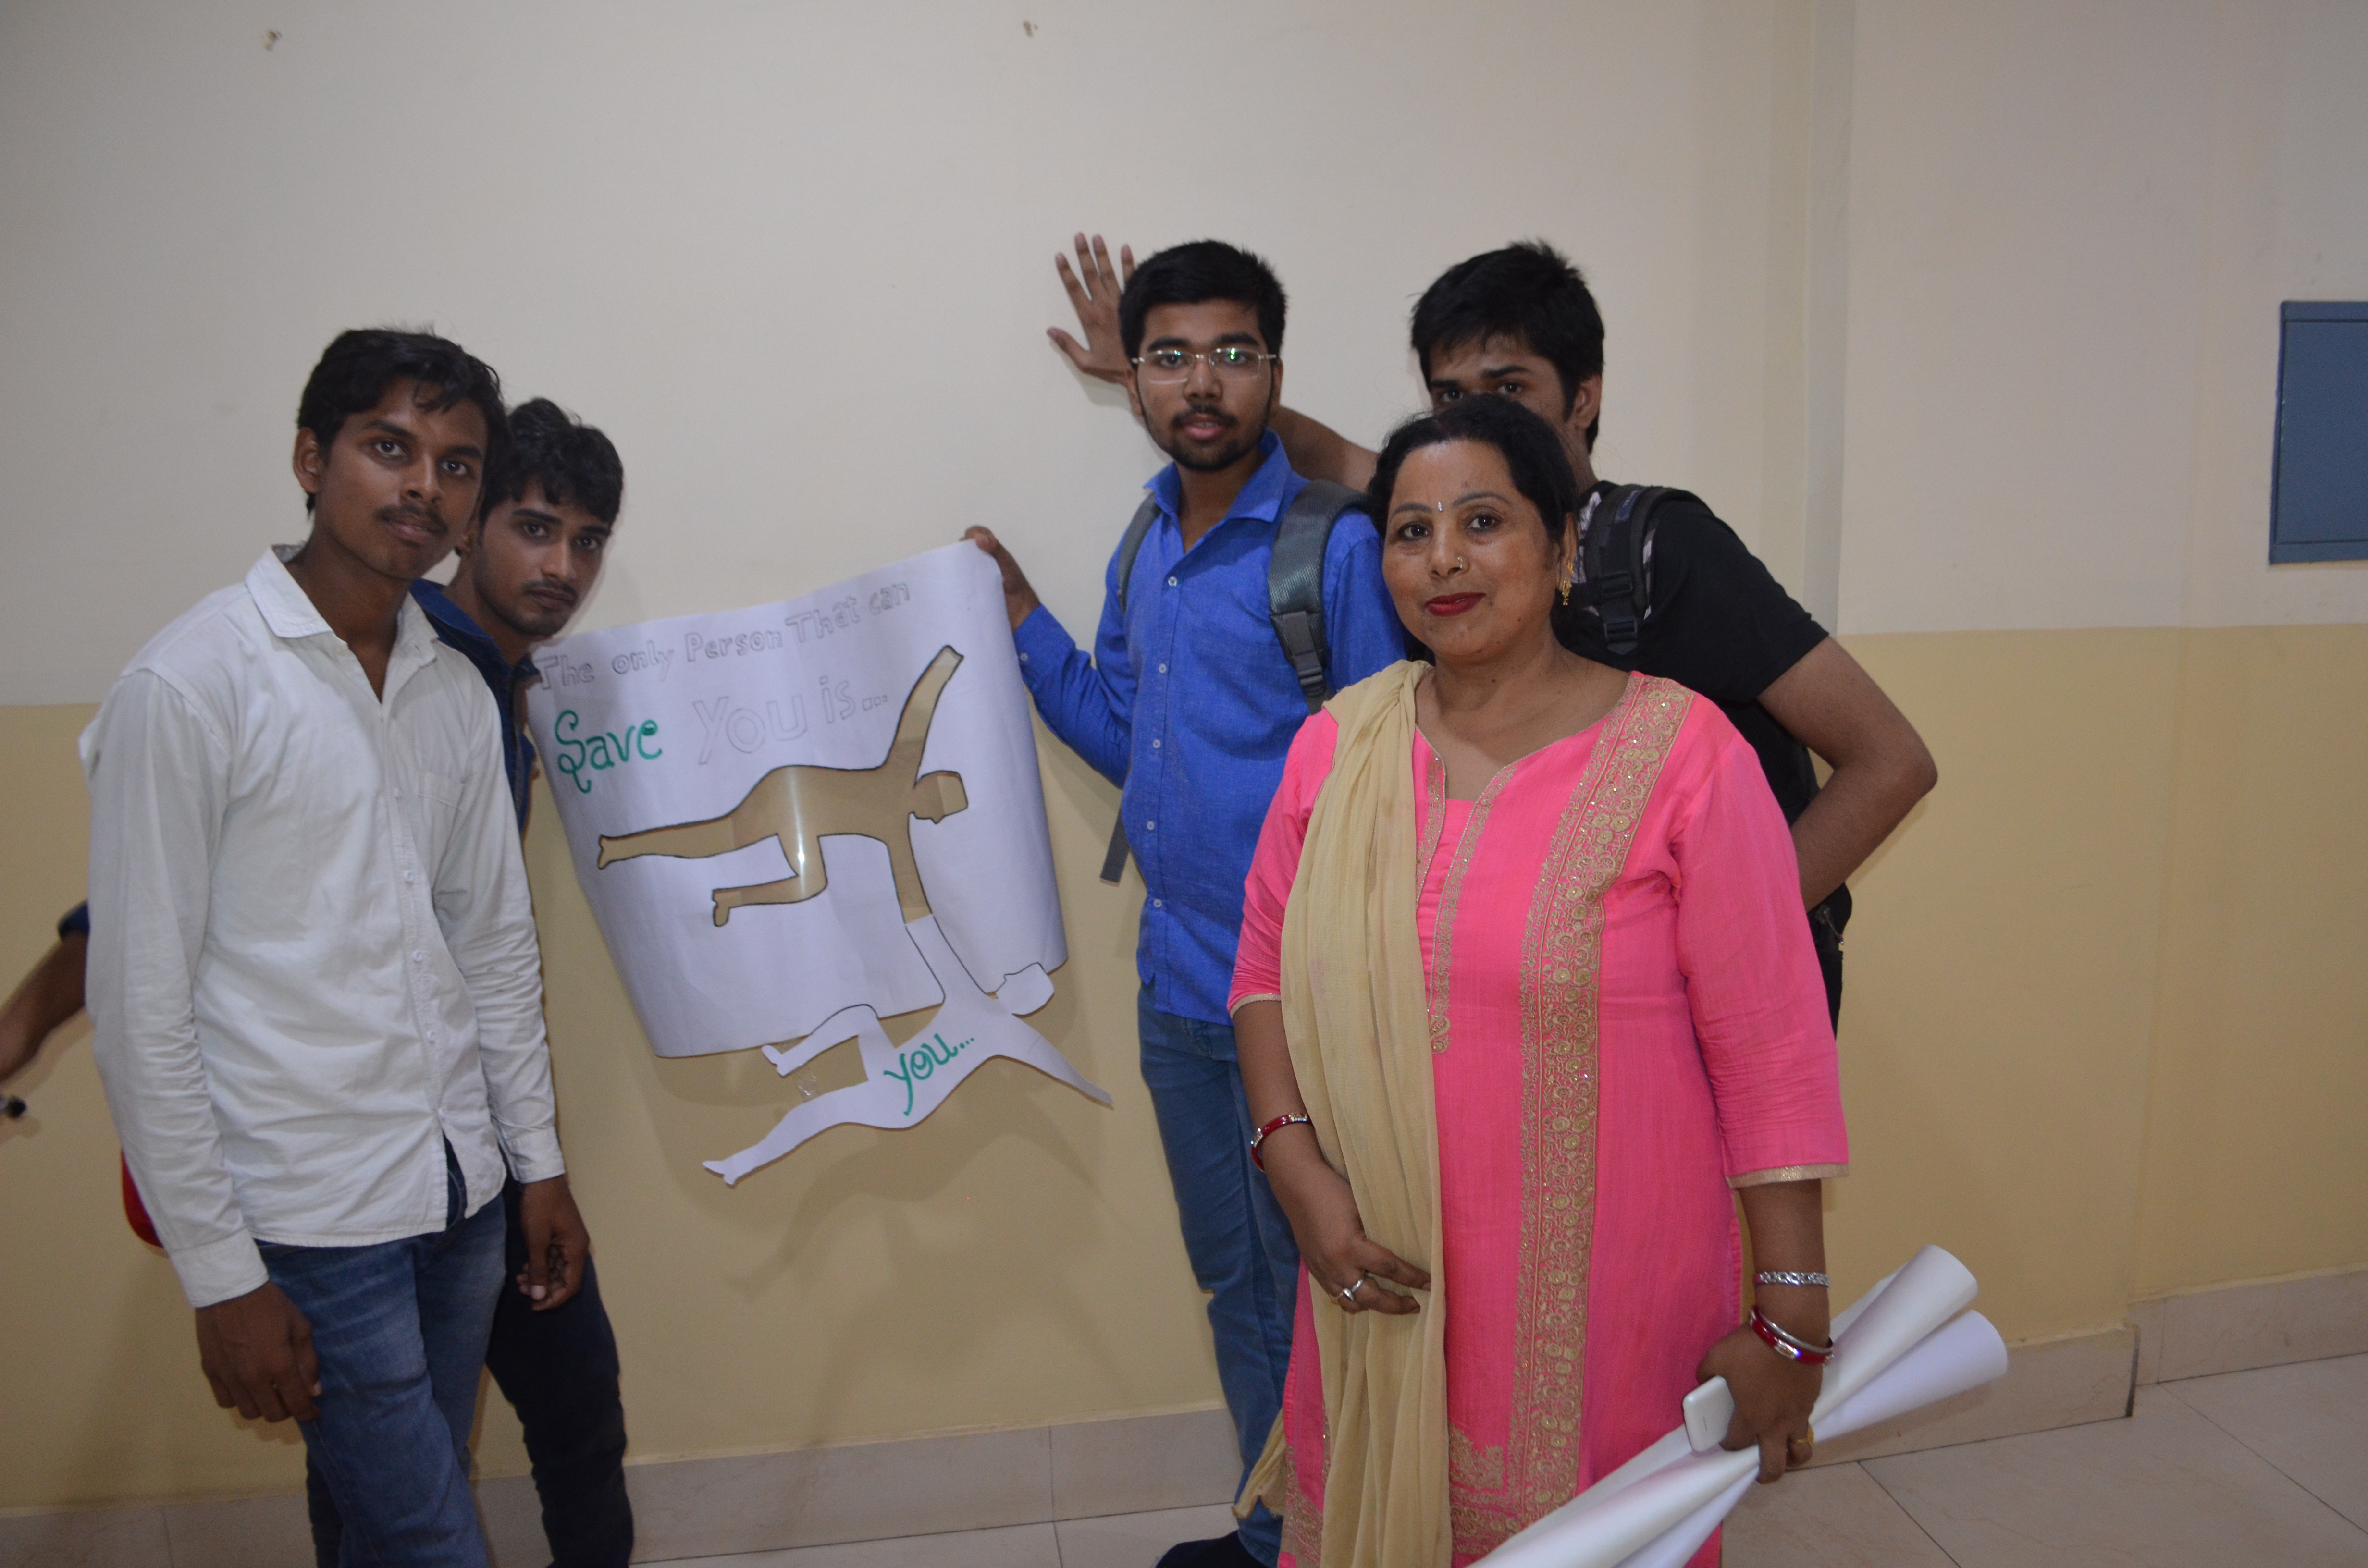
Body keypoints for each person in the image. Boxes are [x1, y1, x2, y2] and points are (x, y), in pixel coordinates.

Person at [10, 395, 637, 1568]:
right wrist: (22, 1024)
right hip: (328, 1177)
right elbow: (147, 927)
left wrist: (532, 1163)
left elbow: (489, 946)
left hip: (466, 1159)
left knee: (409, 1480)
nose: (561, 565)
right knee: (452, 1493)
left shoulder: (474, 688)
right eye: (533, 527)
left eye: (587, 540)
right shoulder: (315, 663)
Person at [1227, 395, 1847, 1567]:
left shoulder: (1684, 755)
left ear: (1561, 545)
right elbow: (1262, 972)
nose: (1443, 559)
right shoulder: (1339, 748)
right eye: (1410, 532)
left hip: (1611, 1311)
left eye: (1482, 522)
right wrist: (1294, 1167)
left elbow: (1771, 1051)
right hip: (1382, 1281)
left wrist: (1792, 1316)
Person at [1050, 235, 1936, 1023]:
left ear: (1583, 396)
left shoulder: (1664, 549)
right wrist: (1163, 375)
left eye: (1510, 388)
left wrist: (1711, 940)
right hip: (1548, 1005)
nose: (1479, 421)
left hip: (1711, 998)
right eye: (1450, 396)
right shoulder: (1445, 542)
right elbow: (1311, 448)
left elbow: (1890, 761)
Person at [970, 240, 1406, 1568]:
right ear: (1138, 378)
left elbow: (1392, 782)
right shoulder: (1147, 541)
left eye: (1232, 353)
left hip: (1308, 1006)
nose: (1201, 383)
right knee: (1238, 1280)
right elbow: (1123, 735)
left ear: (1275, 370)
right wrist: (1021, 615)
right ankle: (1279, 1524)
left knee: (1318, 1282)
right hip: (1178, 989)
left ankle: (1319, 1535)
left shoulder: (1335, 547)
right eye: (1169, 357)